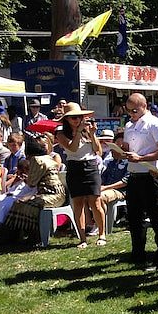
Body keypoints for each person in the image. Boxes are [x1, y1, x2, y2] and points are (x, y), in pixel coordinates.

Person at [122, 93, 158, 268]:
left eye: (134, 110)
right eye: (128, 111)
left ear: (144, 106)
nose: (131, 114)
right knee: (134, 218)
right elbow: (127, 148)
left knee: (157, 216)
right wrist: (120, 151)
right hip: (134, 175)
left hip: (151, 175)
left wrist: (141, 158)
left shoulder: (155, 123)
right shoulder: (129, 125)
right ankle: (138, 253)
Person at [55, 103, 106, 248]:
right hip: (74, 167)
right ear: (67, 119)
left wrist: (92, 133)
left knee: (95, 202)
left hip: (91, 167)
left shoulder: (87, 131)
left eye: (79, 117)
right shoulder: (61, 134)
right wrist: (78, 132)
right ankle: (82, 238)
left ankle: (102, 234)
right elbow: (72, 148)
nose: (77, 120)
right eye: (73, 117)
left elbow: (98, 150)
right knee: (78, 204)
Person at [1, 134, 66, 242]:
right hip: (57, 194)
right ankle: (21, 234)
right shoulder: (47, 158)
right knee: (21, 202)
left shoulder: (37, 160)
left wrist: (24, 179)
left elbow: (31, 183)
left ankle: (27, 235)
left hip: (52, 195)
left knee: (22, 203)